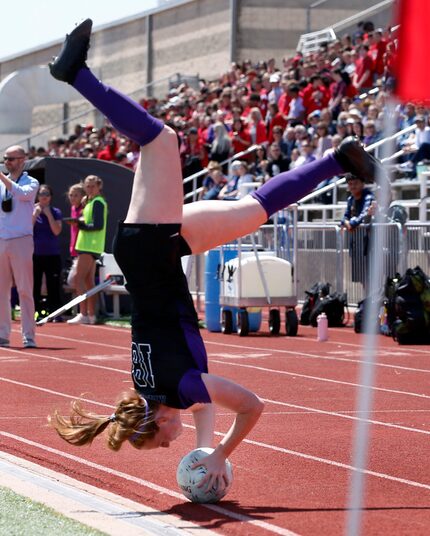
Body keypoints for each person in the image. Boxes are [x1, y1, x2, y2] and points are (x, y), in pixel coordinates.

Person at [47, 19, 379, 491]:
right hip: (152, 256)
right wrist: (206, 450)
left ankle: (75, 73)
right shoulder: (152, 391)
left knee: (162, 141)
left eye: (162, 443)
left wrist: (221, 453)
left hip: (150, 249)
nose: (170, 447)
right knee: (252, 212)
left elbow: (252, 406)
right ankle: (340, 159)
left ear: (158, 422)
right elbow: (198, 406)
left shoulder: (178, 391)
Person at [0, 145, 39, 348]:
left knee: (25, 289)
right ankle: (3, 334)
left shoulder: (31, 182)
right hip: (1, 239)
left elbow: (21, 194)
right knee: (1, 290)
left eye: (12, 159)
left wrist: (2, 177)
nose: (7, 162)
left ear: (23, 160)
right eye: (5, 158)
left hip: (21, 239)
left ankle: (29, 336)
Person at [66, 174, 108, 325]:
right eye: (87, 186)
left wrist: (78, 224)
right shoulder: (89, 202)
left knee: (78, 279)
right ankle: (91, 315)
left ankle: (83, 313)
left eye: (92, 186)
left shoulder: (97, 202)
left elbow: (98, 225)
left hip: (89, 246)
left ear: (99, 186)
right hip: (89, 245)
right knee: (89, 281)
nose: (89, 188)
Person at [32, 184, 63, 320]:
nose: (44, 197)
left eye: (47, 194)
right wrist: (36, 214)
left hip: (52, 254)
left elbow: (57, 231)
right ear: (37, 196)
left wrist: (48, 214)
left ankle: (55, 313)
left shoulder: (56, 212)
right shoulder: (31, 210)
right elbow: (26, 228)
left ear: (50, 197)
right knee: (35, 284)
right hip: (35, 254)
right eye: (41, 194)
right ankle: (35, 312)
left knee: (53, 284)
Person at [341, 173, 375, 291]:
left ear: (362, 183)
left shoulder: (368, 197)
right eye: (350, 184)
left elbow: (364, 214)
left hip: (370, 244)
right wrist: (347, 223)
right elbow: (344, 218)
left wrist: (352, 223)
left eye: (355, 183)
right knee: (362, 278)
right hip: (356, 243)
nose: (353, 186)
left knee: (371, 276)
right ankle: (366, 303)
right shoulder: (350, 199)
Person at [64, 183, 85, 289]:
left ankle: (89, 305)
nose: (72, 197)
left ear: (82, 196)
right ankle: (83, 305)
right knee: (77, 282)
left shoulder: (84, 208)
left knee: (74, 280)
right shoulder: (73, 208)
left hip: (83, 249)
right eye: (71, 195)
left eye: (76, 195)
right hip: (74, 250)